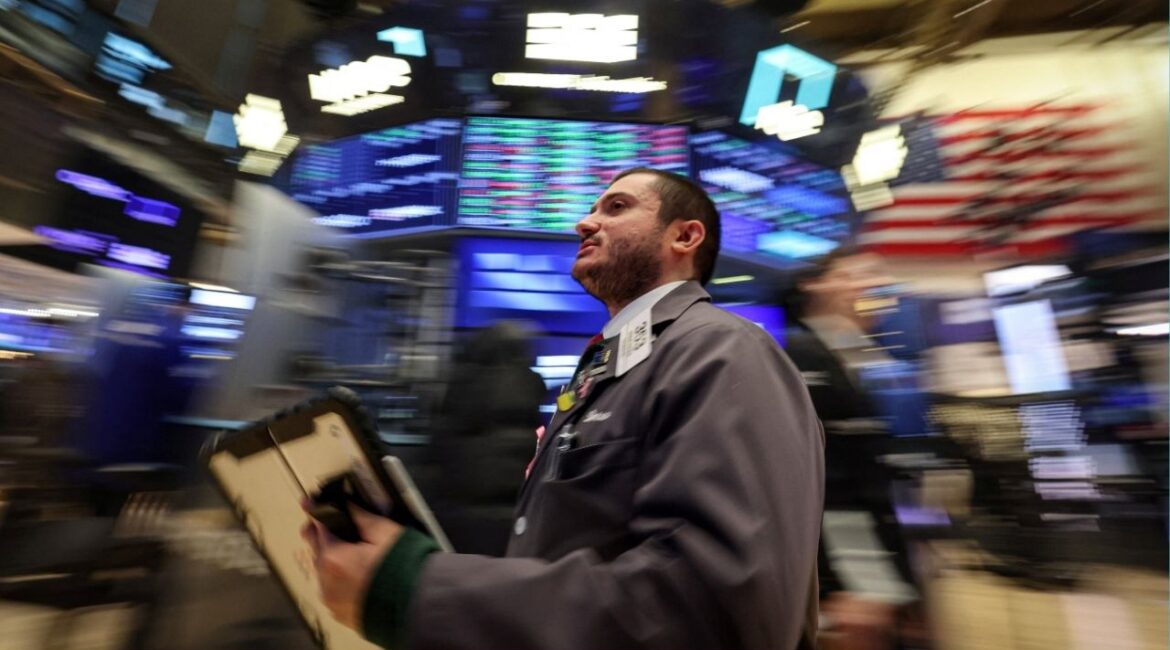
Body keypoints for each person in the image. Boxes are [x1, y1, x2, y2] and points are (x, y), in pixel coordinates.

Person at [302, 168, 825, 650]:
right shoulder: (614, 362)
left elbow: (715, 608)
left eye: (616, 207)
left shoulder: (722, 350)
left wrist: (421, 588)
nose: (585, 221)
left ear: (684, 237)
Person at [782, 249, 918, 650]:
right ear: (815, 284)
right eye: (854, 274)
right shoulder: (799, 358)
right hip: (846, 580)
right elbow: (816, 485)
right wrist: (846, 584)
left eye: (875, 275)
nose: (870, 283)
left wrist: (904, 580)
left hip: (880, 567)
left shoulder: (864, 357)